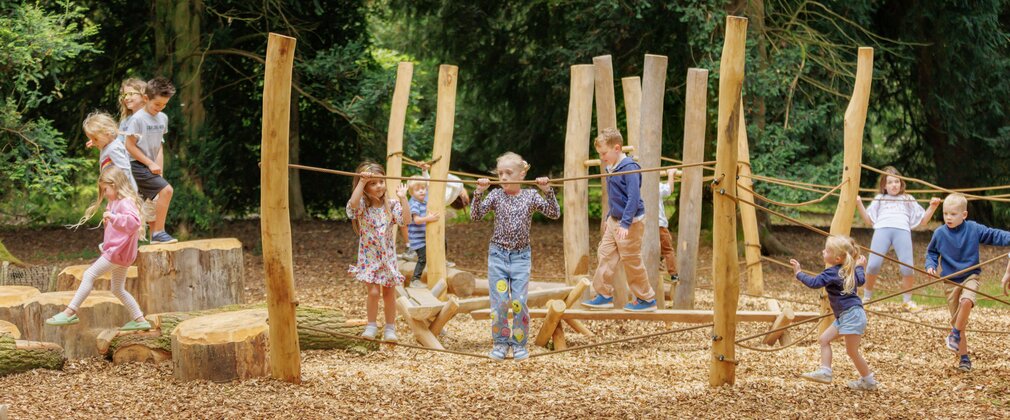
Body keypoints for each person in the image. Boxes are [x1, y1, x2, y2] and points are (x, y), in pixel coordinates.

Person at [471, 152, 559, 361]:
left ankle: (519, 343)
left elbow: (554, 213)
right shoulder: (495, 195)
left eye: (508, 173)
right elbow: (475, 216)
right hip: (498, 256)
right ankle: (501, 343)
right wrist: (478, 192)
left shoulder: (530, 196)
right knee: (500, 302)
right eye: (500, 173)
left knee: (519, 301)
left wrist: (547, 191)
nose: (503, 177)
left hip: (521, 257)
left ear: (522, 174)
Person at [46, 167, 150, 331]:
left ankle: (69, 312)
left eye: (106, 189)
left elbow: (134, 223)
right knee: (117, 288)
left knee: (89, 274)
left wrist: (114, 217)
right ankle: (139, 319)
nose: (105, 193)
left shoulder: (126, 202)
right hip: (120, 253)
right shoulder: (115, 202)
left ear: (115, 185)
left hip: (116, 254)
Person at [925, 193, 1010, 372]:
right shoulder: (940, 233)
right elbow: (932, 252)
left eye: (953, 214)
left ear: (964, 215)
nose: (948, 217)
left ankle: (954, 334)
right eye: (946, 213)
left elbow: (994, 235)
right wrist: (931, 265)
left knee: (967, 301)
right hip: (950, 282)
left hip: (970, 276)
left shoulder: (972, 228)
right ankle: (963, 357)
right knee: (958, 321)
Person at [582, 128, 657, 312]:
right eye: (599, 154)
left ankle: (646, 299)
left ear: (617, 148)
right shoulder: (611, 167)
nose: (602, 157)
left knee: (631, 259)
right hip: (615, 219)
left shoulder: (630, 168)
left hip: (630, 222)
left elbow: (633, 198)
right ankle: (604, 294)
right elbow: (614, 196)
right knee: (605, 253)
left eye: (604, 153)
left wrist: (625, 223)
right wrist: (610, 215)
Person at [791, 235, 877, 391]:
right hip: (850, 315)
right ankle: (825, 372)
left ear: (837, 258)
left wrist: (798, 273)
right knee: (824, 339)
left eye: (827, 250)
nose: (824, 250)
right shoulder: (849, 269)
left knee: (852, 351)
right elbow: (861, 280)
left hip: (851, 315)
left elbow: (814, 283)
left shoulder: (831, 273)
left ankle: (869, 381)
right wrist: (859, 267)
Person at [856, 166, 941, 311]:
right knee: (873, 265)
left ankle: (907, 301)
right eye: (890, 182)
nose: (894, 185)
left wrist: (933, 207)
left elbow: (923, 221)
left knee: (907, 267)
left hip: (902, 230)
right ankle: (867, 298)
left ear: (901, 184)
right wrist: (858, 203)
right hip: (882, 229)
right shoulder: (880, 198)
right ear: (884, 185)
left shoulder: (907, 198)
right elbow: (868, 220)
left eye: (897, 182)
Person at [347, 162, 410, 341]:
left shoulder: (391, 205)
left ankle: (390, 328)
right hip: (369, 257)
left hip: (388, 258)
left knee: (389, 293)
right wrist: (360, 182)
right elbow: (352, 206)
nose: (379, 186)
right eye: (373, 183)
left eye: (381, 181)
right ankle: (371, 325)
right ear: (366, 188)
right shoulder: (362, 206)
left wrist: (403, 198)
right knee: (374, 292)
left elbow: (406, 220)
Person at [124, 76, 176, 244]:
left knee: (132, 207)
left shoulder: (163, 118)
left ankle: (118, 242)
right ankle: (159, 232)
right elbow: (129, 146)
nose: (160, 108)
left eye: (164, 105)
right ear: (146, 98)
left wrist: (157, 166)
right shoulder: (137, 119)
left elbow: (158, 144)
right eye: (157, 104)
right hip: (136, 165)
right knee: (167, 191)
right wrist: (149, 163)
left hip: (149, 167)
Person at [82, 111, 137, 191]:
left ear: (107, 134)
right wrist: (95, 142)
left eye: (95, 139)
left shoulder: (113, 149)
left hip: (123, 190)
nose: (93, 141)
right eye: (91, 139)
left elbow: (125, 168)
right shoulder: (108, 144)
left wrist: (119, 187)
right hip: (116, 189)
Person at [406, 176, 442, 288]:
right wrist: (428, 218)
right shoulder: (414, 203)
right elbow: (416, 220)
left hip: (424, 237)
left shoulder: (423, 200)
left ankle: (443, 260)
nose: (421, 191)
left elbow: (431, 185)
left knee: (442, 241)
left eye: (423, 188)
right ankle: (414, 280)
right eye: (417, 189)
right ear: (411, 193)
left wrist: (424, 171)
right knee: (423, 259)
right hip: (417, 239)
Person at [659, 168, 681, 280]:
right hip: (659, 225)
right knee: (668, 249)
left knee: (657, 246)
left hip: (643, 224)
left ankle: (658, 261)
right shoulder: (655, 186)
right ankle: (673, 274)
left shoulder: (637, 186)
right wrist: (671, 174)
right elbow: (669, 189)